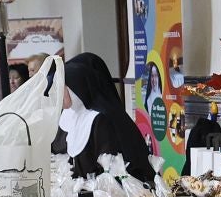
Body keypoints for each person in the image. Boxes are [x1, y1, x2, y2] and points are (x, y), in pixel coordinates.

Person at [54, 51, 157, 184]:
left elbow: (109, 167)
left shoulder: (100, 120)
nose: (57, 95)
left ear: (76, 89)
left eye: (61, 89)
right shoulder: (77, 116)